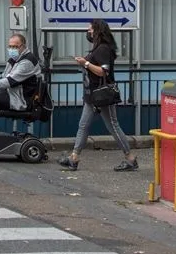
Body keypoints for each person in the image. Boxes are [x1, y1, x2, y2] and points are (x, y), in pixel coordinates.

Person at [59, 19, 138, 172]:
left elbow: (103, 71)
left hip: (102, 95)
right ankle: (74, 158)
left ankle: (130, 158)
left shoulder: (103, 49)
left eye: (90, 29)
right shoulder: (98, 48)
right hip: (93, 95)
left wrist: (85, 63)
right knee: (83, 125)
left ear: (97, 31)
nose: (88, 32)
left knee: (113, 126)